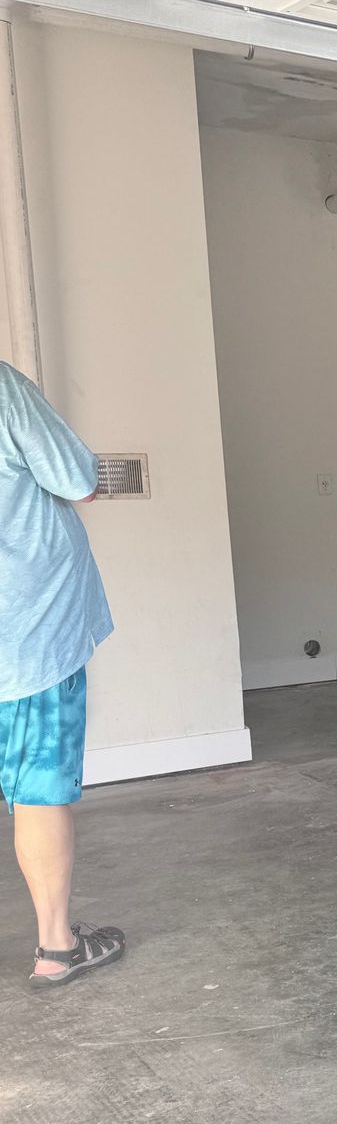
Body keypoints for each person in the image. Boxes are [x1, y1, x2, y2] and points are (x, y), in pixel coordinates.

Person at [1, 360, 122, 987]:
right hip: (26, 635)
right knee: (36, 792)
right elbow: (80, 482)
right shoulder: (2, 389)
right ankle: (56, 950)